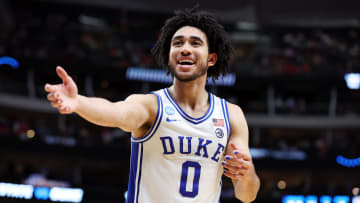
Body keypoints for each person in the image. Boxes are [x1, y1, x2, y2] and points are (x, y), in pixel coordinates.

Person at [44, 7, 260, 203]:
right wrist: (78, 102)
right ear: (169, 57)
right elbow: (114, 112)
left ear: (211, 59)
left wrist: (247, 173)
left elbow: (246, 195)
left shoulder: (231, 115)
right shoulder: (150, 106)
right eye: (178, 43)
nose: (185, 49)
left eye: (195, 43)